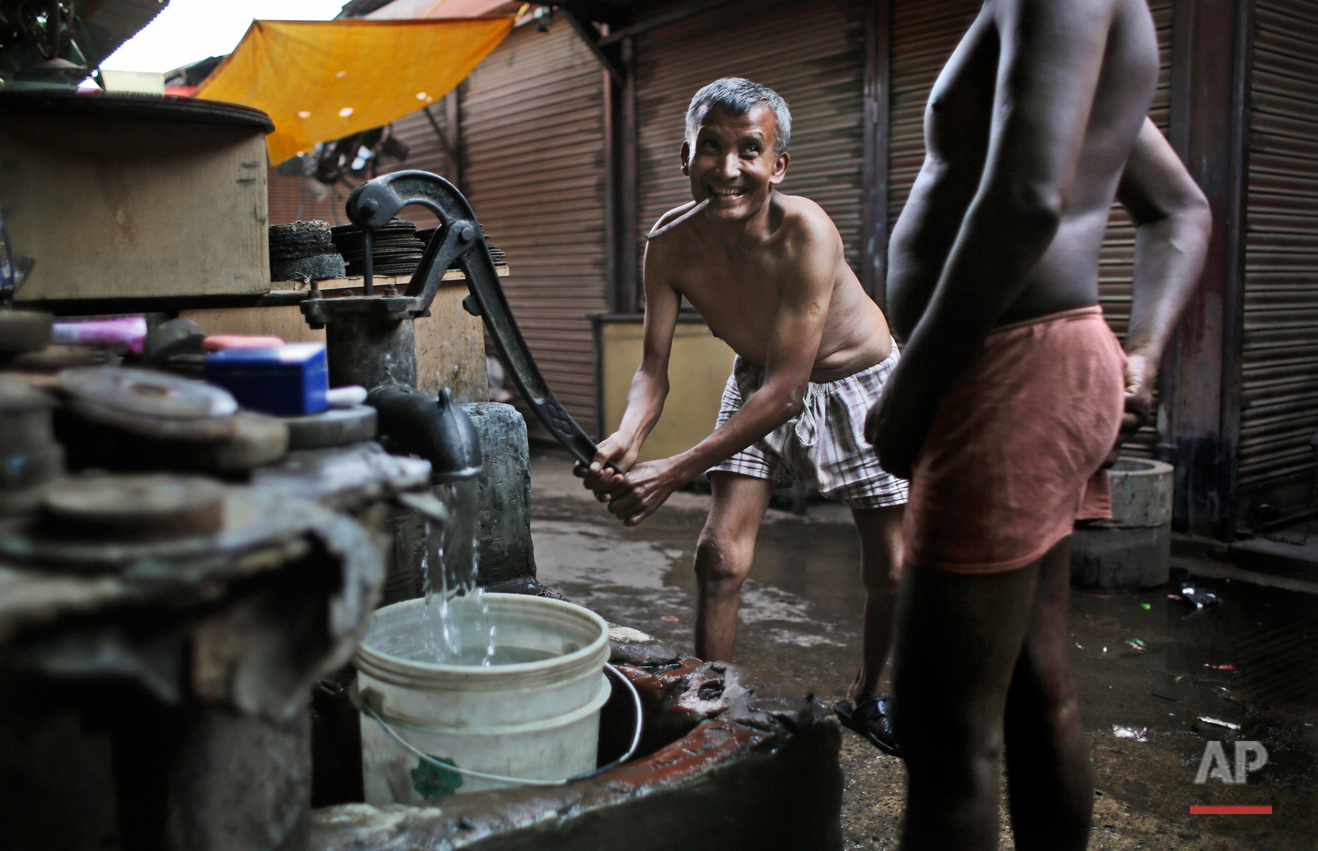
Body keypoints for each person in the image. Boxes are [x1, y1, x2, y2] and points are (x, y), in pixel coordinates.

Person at [866, 0, 1212, 847]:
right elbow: (1180, 206)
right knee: (1031, 680)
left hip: (1008, 370)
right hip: (1033, 362)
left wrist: (909, 391)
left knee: (941, 728)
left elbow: (1024, 200)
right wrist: (1140, 353)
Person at [577, 78, 908, 753]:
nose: (728, 171)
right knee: (719, 555)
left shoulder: (806, 232)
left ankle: (868, 693)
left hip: (859, 384)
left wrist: (672, 469)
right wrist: (627, 436)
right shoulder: (668, 244)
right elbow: (652, 370)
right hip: (759, 378)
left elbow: (791, 394)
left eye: (749, 151)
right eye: (712, 150)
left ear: (776, 164)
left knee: (893, 569)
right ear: (686, 156)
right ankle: (710, 699)